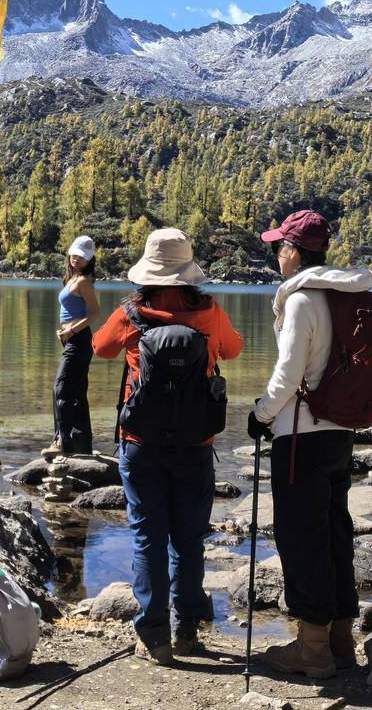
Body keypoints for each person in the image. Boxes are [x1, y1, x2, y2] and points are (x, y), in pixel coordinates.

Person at [93, 228, 243, 666]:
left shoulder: (133, 311)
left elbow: (101, 349)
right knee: (189, 538)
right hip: (196, 444)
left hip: (141, 443)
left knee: (147, 536)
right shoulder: (208, 311)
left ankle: (153, 634)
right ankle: (187, 629)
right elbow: (233, 350)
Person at [247, 210, 372, 679]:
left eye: (281, 245)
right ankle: (341, 639)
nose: (277, 253)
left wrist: (260, 413)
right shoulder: (342, 297)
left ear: (296, 252)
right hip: (339, 433)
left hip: (301, 435)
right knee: (335, 533)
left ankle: (313, 648)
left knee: (302, 538)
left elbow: (288, 376)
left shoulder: (302, 301)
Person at [46, 235, 101, 457]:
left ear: (89, 261)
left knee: (61, 388)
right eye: (75, 254)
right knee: (76, 391)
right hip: (72, 339)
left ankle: (62, 442)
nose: (77, 259)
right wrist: (65, 331)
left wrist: (71, 330)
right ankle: (82, 445)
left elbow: (95, 313)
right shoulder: (72, 278)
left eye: (83, 257)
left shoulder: (83, 281)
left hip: (79, 340)